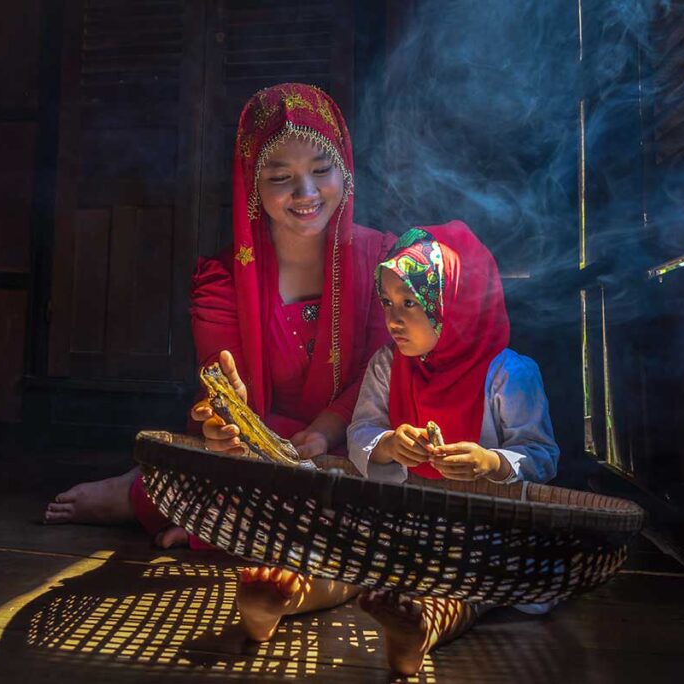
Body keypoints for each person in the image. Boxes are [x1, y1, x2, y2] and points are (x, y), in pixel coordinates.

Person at [43, 83, 394, 549]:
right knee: (256, 474)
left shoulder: (384, 262)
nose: (305, 192)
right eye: (279, 177)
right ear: (251, 184)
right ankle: (141, 492)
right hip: (256, 444)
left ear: (345, 171)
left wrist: (323, 431)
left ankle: (197, 511)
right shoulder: (223, 279)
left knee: (374, 485)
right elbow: (227, 392)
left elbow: (381, 373)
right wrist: (232, 429)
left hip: (349, 442)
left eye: (322, 169)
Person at [232, 222, 560, 675]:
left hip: (480, 530)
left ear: (454, 306)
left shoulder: (509, 374)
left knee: (466, 584)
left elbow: (541, 455)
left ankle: (419, 627)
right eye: (387, 302)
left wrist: (492, 461)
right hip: (405, 521)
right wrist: (387, 444)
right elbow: (361, 430)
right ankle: (283, 598)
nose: (393, 319)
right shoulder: (388, 365)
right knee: (349, 555)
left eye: (410, 303)